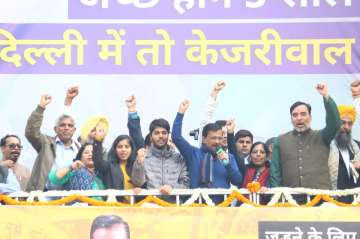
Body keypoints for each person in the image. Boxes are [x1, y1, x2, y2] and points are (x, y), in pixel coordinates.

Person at [270, 83, 342, 190]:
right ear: (291, 119)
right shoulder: (280, 140)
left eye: (303, 114)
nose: (299, 118)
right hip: (291, 199)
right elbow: (275, 172)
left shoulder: (322, 136)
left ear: (310, 117)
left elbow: (335, 124)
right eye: (295, 115)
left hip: (320, 198)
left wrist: (326, 96)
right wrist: (278, 195)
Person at [171, 99, 242, 203]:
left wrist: (227, 164)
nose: (217, 141)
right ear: (204, 139)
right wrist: (180, 113)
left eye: (219, 138)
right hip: (197, 207)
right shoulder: (193, 154)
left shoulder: (228, 157)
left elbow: (238, 181)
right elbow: (176, 137)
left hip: (222, 209)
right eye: (213, 138)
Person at [126, 95, 189, 198]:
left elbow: (186, 185)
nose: (161, 136)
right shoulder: (144, 157)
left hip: (175, 207)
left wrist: (172, 188)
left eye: (164, 133)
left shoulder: (178, 158)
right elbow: (137, 183)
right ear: (151, 137)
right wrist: (139, 163)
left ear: (168, 135)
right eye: (157, 133)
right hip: (151, 206)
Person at [25, 88, 81, 191]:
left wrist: (69, 100)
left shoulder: (79, 149)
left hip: (72, 200)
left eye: (70, 126)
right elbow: (31, 132)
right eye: (62, 125)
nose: (66, 128)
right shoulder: (46, 143)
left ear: (74, 130)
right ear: (55, 129)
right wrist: (41, 108)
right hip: (44, 198)